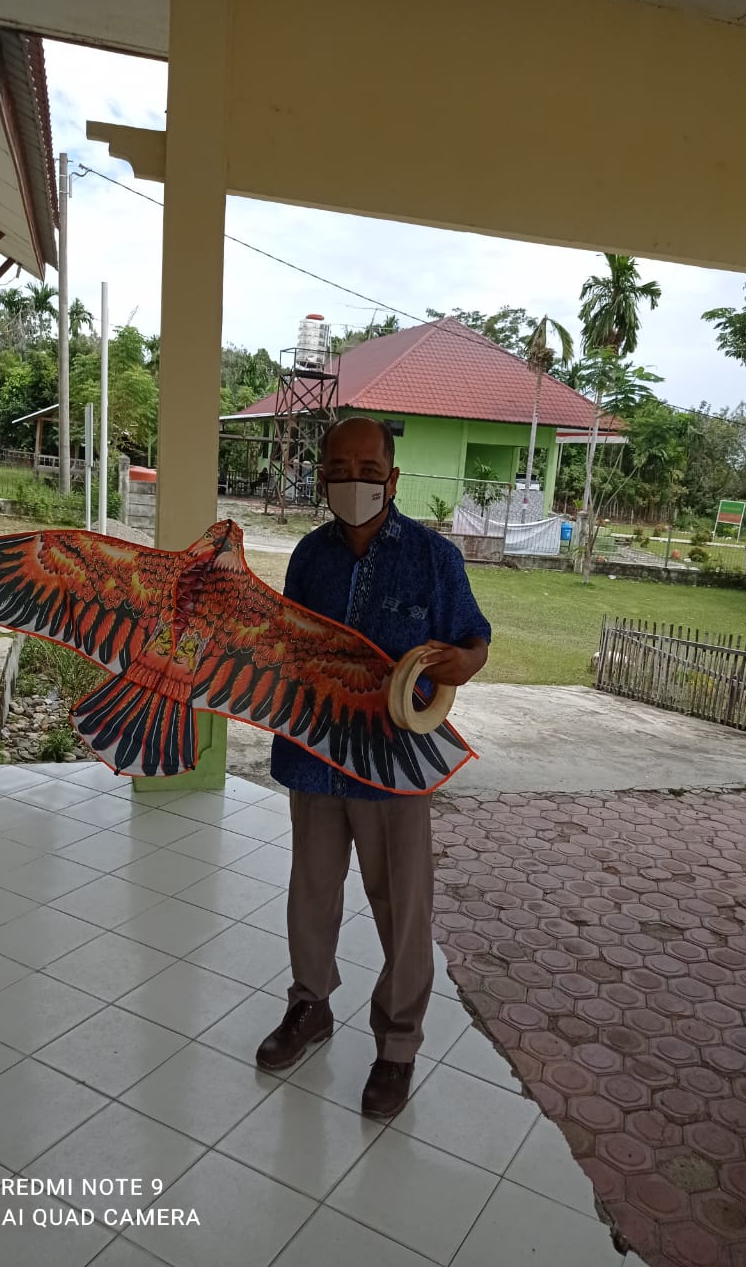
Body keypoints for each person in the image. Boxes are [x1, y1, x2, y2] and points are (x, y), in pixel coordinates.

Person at [257, 416, 491, 1118]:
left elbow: (473, 642)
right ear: (321, 475)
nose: (353, 481)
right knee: (312, 893)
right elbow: (288, 645)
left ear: (391, 478)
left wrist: (461, 663)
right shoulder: (308, 557)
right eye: (340, 467)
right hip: (314, 755)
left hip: (395, 763)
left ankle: (396, 1046)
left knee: (402, 906)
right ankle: (310, 1007)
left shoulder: (432, 559)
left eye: (368, 469)